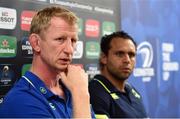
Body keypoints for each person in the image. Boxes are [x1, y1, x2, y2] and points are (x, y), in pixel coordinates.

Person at [0, 6, 93, 118]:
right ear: (36, 43)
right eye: (60, 39)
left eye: (73, 40)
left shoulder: (72, 88)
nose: (69, 49)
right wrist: (81, 95)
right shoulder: (20, 100)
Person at [89, 31, 147, 118]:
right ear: (104, 58)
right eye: (120, 54)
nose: (127, 60)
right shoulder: (95, 92)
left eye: (131, 55)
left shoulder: (132, 91)